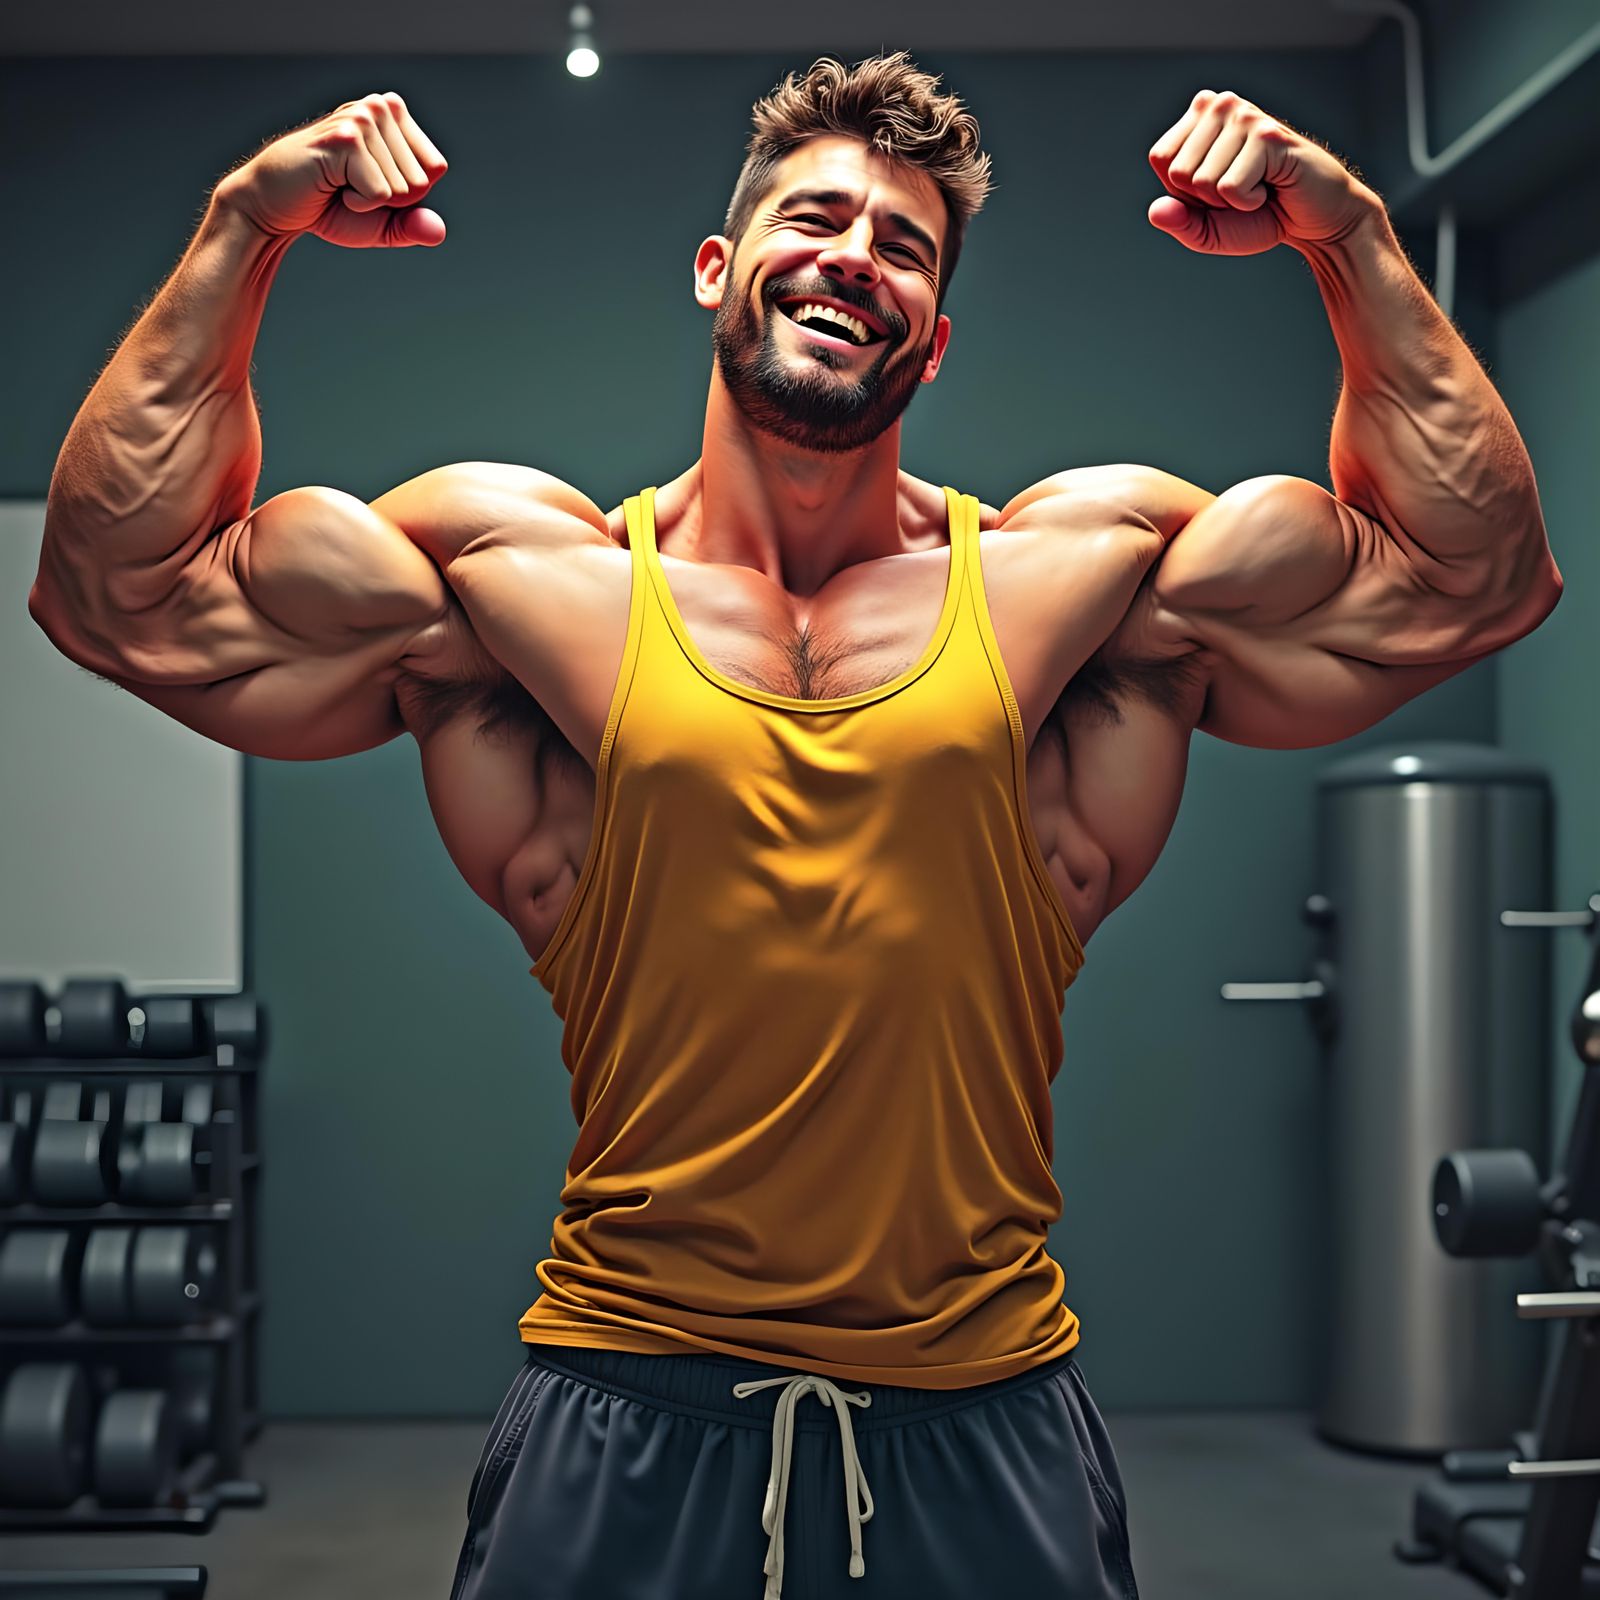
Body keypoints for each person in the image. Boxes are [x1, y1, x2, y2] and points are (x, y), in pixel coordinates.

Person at [29, 49, 1561, 1600]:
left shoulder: (1086, 585)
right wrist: (241, 229)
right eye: (817, 218)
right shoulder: (512, 587)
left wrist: (1352, 237)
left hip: (985, 1416)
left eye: (904, 245)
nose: (855, 258)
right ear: (719, 270)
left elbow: (1473, 578)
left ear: (936, 338)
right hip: (622, 1404)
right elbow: (116, 598)